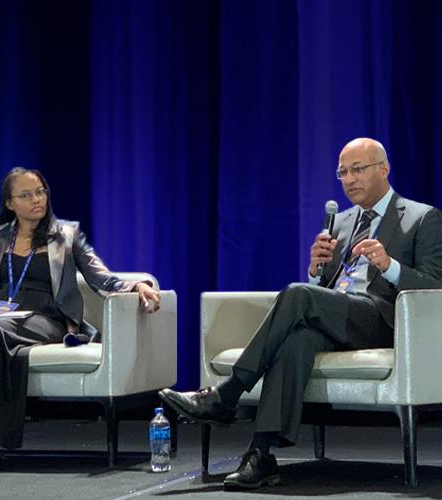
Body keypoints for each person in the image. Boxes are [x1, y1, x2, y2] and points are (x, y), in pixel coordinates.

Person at [159, 137, 442, 490]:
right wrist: (314, 270)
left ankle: (227, 394)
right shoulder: (340, 221)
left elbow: (435, 284)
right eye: (343, 172)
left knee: (295, 294)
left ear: (384, 169)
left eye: (358, 169)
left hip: (384, 322)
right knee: (297, 340)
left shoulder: (421, 217)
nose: (349, 179)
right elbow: (325, 291)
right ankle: (260, 455)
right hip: (338, 317)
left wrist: (390, 265)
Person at [0, 167, 160, 475]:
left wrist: (136, 285)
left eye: (41, 192)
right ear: (9, 204)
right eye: (26, 195)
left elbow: (101, 278)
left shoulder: (66, 235)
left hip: (48, 319)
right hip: (0, 318)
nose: (36, 200)